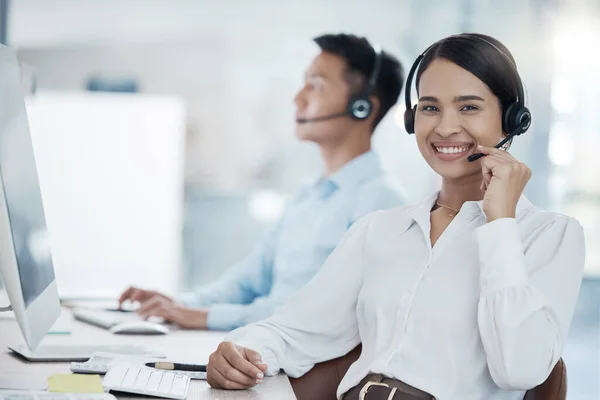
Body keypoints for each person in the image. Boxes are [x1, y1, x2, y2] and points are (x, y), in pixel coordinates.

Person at [205, 33, 585, 400]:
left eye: (468, 107)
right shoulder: (380, 229)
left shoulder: (550, 235)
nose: (445, 127)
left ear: (512, 118)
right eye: (430, 107)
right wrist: (241, 350)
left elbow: (519, 369)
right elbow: (296, 329)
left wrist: (501, 222)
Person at [118, 33, 406, 331]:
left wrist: (202, 317)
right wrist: (179, 305)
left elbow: (315, 314)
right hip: (267, 346)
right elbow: (247, 280)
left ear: (362, 106)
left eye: (315, 86)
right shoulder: (309, 195)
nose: (298, 98)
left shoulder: (382, 204)